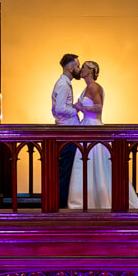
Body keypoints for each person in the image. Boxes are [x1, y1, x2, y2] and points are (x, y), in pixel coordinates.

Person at [64, 61, 138, 211]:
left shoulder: (94, 86)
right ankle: (87, 200)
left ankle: (99, 200)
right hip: (86, 125)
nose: (80, 69)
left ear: (89, 71)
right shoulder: (86, 88)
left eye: (83, 67)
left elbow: (99, 107)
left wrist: (81, 107)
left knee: (97, 164)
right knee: (87, 164)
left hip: (93, 126)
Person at [50, 53, 82, 207]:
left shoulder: (64, 83)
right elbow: (60, 108)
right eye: (77, 65)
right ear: (70, 67)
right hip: (66, 132)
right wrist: (75, 109)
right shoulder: (63, 84)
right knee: (65, 170)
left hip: (67, 130)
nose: (78, 68)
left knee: (67, 169)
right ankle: (61, 205)